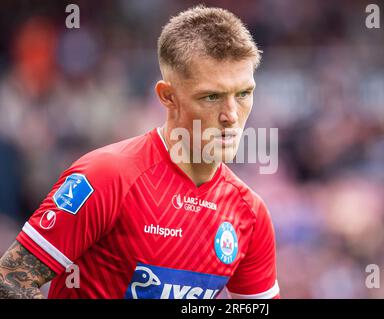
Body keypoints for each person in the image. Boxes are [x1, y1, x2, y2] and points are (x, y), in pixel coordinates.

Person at [0, 5, 279, 299]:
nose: (231, 115)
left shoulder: (250, 214)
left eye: (244, 94)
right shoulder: (106, 177)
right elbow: (10, 280)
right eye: (212, 96)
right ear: (168, 97)